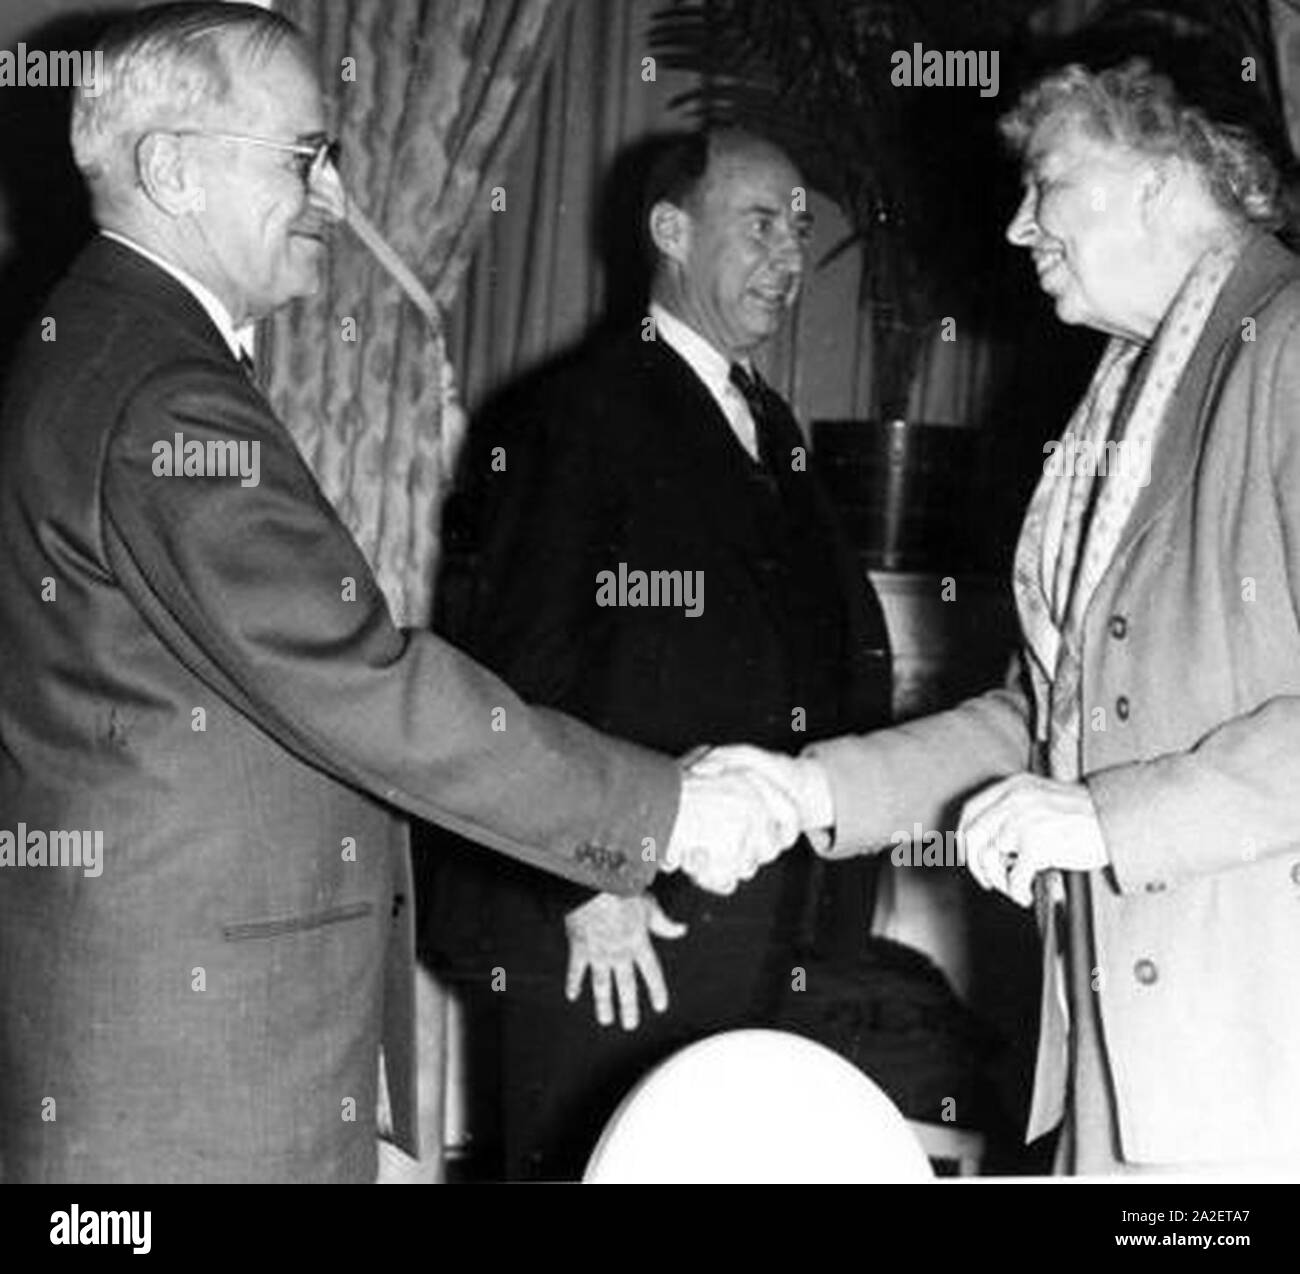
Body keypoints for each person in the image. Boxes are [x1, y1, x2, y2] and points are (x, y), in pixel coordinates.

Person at [0, 3, 799, 1185]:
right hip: (189, 1069)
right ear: (170, 168)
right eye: (303, 158)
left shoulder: (112, 346)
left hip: (169, 1031)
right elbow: (355, 677)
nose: (332, 196)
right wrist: (660, 811)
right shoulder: (161, 390)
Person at [705, 58, 1300, 1174]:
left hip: (1257, 1058)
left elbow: (1095, 787)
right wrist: (811, 787)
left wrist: (1109, 817)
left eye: (1049, 184)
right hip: (1121, 1060)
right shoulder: (1127, 389)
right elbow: (1053, 718)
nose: (1021, 226)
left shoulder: (1291, 349)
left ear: (1159, 180)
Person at [429, 129, 892, 1180]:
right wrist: (585, 886)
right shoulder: (570, 413)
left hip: (756, 913)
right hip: (615, 929)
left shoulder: (764, 422)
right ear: (671, 232)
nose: (789, 255)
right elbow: (505, 681)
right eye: (760, 223)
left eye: (800, 230)